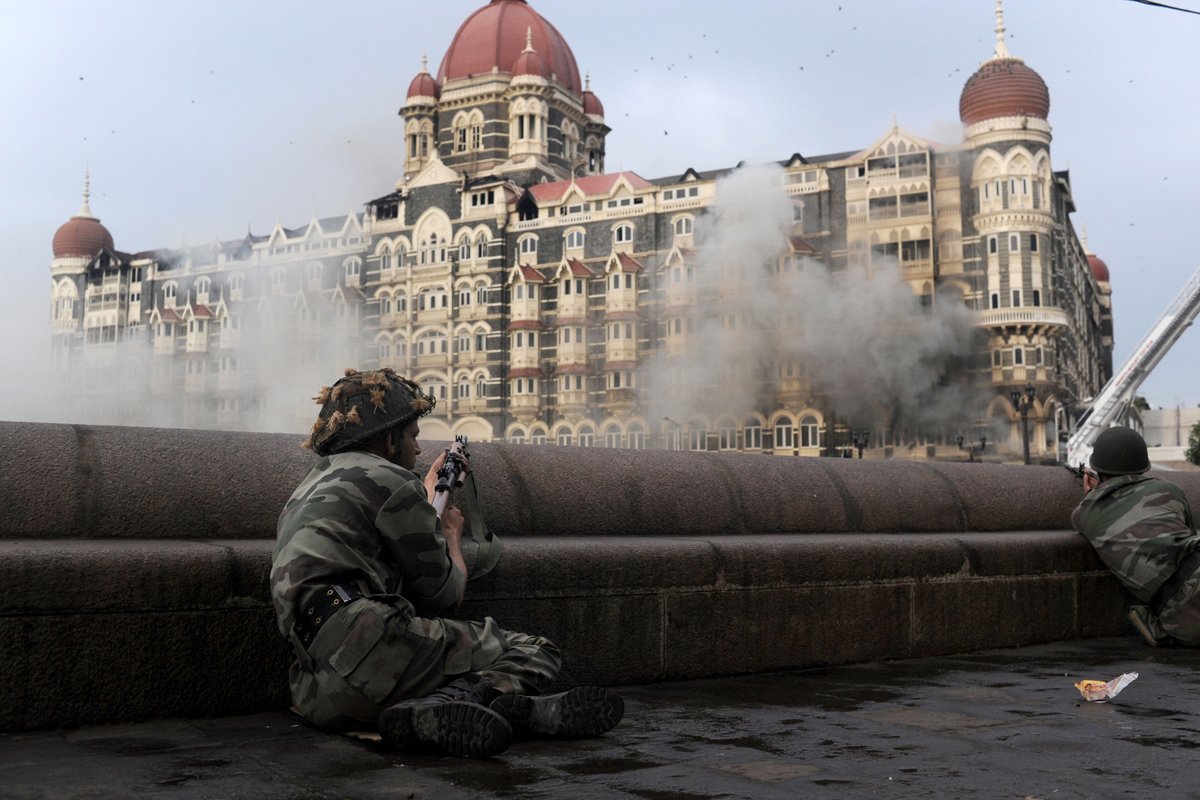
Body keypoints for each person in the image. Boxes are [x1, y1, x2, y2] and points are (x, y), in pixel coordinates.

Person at [271, 368, 623, 757]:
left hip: (317, 690)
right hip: (373, 648)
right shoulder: (390, 478)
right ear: (390, 440)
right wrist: (452, 533)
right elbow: (444, 593)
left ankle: (453, 716)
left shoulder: (306, 486)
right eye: (413, 436)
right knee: (535, 650)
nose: (418, 450)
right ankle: (447, 707)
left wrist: (424, 501)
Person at [1071, 426, 1200, 646]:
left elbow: (1099, 514)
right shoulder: (1169, 490)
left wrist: (1092, 496)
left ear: (1097, 469)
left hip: (1185, 615)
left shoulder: (1084, 514)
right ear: (1143, 466)